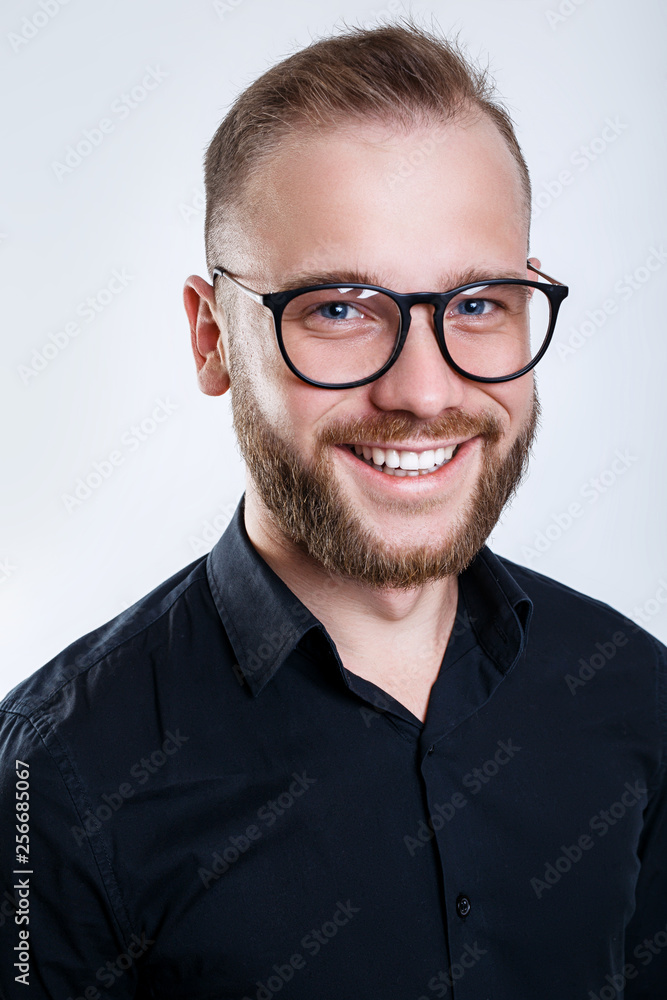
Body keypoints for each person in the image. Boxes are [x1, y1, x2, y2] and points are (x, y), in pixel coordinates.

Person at [1, 18, 665, 999]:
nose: (425, 391)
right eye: (341, 308)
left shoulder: (636, 699)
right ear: (211, 337)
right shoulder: (49, 786)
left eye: (478, 302)